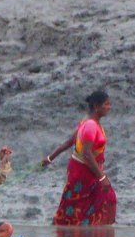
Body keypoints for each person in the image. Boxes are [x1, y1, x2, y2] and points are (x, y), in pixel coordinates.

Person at [42, 90, 117, 226]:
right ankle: (67, 232)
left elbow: (69, 142)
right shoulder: (90, 125)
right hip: (83, 171)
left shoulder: (90, 123)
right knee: (75, 203)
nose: (109, 107)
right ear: (96, 106)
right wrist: (102, 177)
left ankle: (87, 231)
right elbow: (86, 154)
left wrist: (50, 158)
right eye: (106, 104)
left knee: (103, 199)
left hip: (90, 171)